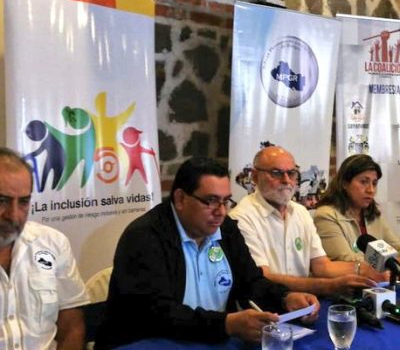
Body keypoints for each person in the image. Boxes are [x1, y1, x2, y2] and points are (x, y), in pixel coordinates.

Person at [95, 157, 319, 349]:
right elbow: (157, 314)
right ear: (180, 199)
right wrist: (226, 324)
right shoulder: (144, 237)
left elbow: (250, 282)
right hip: (150, 342)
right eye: (211, 201)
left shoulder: (226, 228)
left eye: (225, 201)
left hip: (210, 339)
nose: (220, 212)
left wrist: (285, 298)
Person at [229, 146, 388, 297]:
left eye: (291, 173)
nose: (286, 180)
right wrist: (328, 286)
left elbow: (321, 266)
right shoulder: (241, 217)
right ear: (255, 177)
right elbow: (262, 277)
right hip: (265, 309)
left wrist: (363, 270)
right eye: (276, 173)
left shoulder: (300, 212)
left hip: (306, 305)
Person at [0, 147, 89, 349]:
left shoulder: (52, 243)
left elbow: (72, 327)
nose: (14, 215)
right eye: (2, 201)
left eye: (23, 202)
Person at [314, 154, 400, 262]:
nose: (371, 190)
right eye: (363, 182)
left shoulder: (372, 215)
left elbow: (397, 248)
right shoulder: (326, 216)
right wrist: (389, 262)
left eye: (374, 183)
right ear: (344, 183)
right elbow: (346, 260)